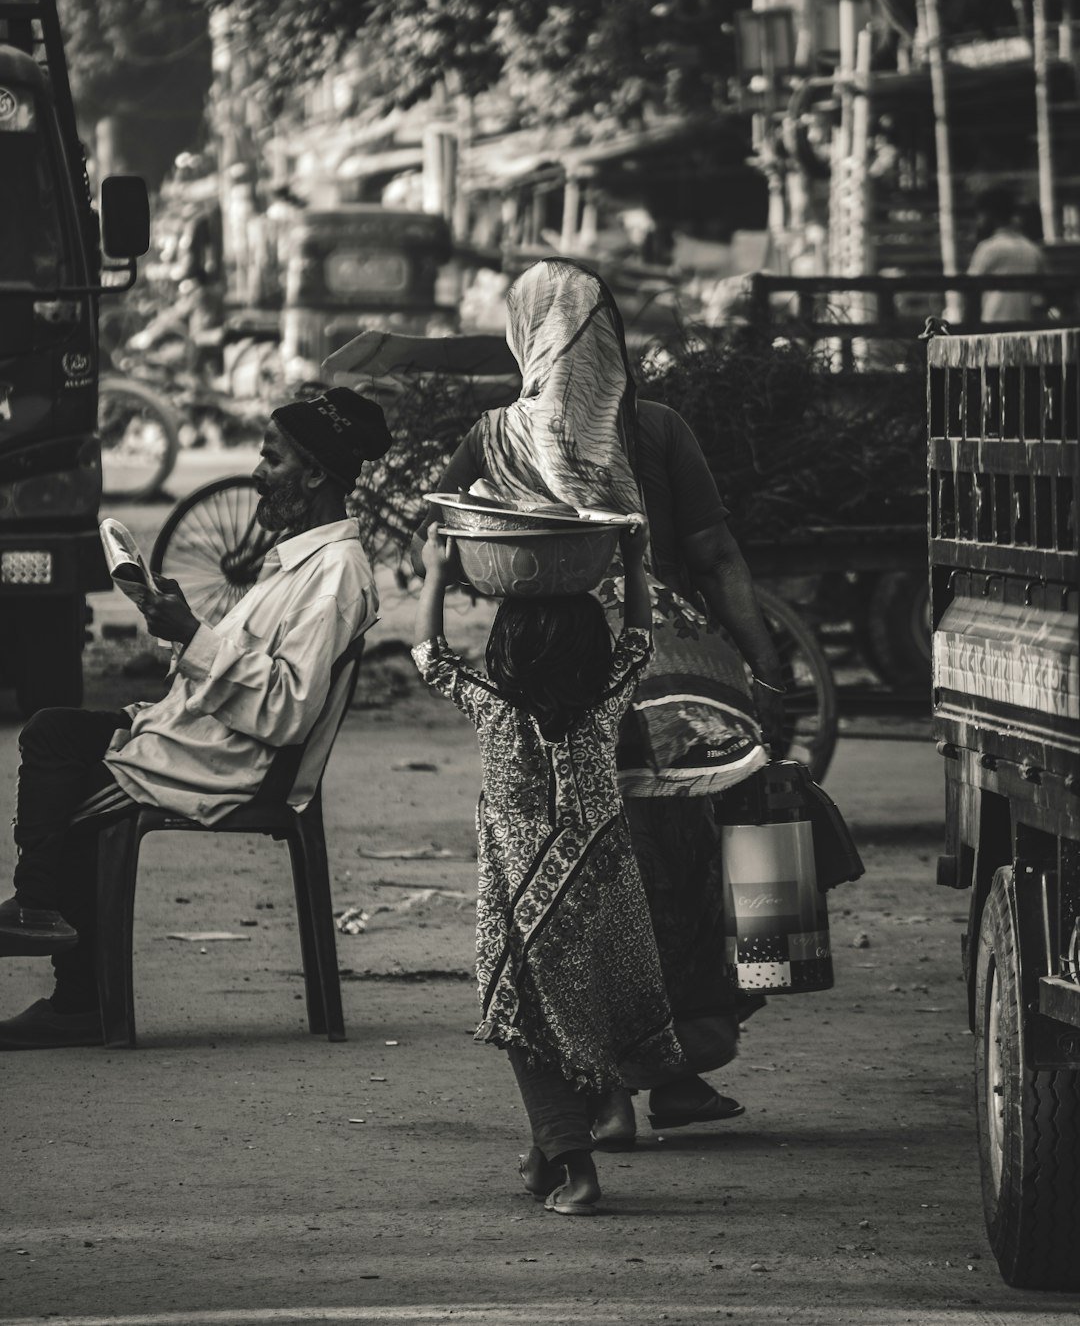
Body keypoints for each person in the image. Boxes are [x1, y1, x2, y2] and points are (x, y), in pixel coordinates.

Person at [424, 258, 787, 1148]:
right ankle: (679, 1067)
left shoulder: (491, 437)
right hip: (676, 673)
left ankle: (606, 1090)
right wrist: (768, 676)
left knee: (578, 877)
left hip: (548, 680)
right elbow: (719, 559)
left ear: (523, 337)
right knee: (697, 867)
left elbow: (454, 543)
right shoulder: (659, 430)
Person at [0, 388, 391, 1049]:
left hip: (231, 762)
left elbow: (289, 709)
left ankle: (67, 974)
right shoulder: (300, 561)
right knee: (54, 734)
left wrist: (197, 637)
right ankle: (55, 944)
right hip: (199, 739)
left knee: (62, 767)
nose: (258, 472)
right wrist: (183, 628)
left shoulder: (334, 575)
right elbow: (243, 668)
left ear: (316, 474)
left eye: (272, 457)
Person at [412, 518, 686, 1215]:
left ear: (505, 653)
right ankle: (545, 1160)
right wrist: (630, 559)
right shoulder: (604, 705)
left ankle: (574, 1167)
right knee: (575, 1024)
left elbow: (430, 656)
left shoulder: (491, 710)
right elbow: (639, 641)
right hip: (604, 901)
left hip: (522, 910)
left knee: (529, 1033)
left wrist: (438, 575)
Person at [967, 188, 1046, 323]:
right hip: (1026, 325)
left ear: (989, 215)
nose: (979, 222)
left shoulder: (988, 248)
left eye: (980, 216)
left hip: (992, 323)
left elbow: (969, 289)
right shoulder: (1032, 249)